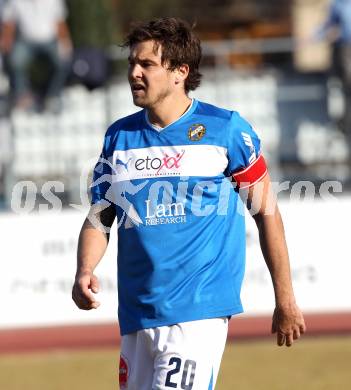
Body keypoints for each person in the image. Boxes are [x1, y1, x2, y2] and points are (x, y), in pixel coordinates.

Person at [72, 17, 306, 389]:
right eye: (132, 63)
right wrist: (84, 269)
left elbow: (267, 214)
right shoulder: (118, 137)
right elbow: (100, 217)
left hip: (197, 313)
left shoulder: (226, 129)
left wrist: (286, 300)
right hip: (136, 316)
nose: (134, 73)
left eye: (146, 64)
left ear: (180, 71)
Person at [0, 0, 72, 111]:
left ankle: (52, 96)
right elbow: (9, 23)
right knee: (15, 60)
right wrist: (6, 41)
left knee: (64, 60)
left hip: (50, 41)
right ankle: (22, 97)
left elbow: (60, 22)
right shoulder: (15, 2)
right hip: (25, 41)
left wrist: (65, 42)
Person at [314, 0, 351, 143]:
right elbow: (329, 25)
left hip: (345, 51)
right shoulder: (338, 4)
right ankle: (345, 125)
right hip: (345, 51)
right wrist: (317, 36)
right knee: (347, 90)